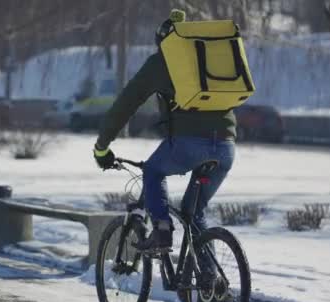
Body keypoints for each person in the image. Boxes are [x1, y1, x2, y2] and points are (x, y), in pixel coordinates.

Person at [92, 9, 236, 252]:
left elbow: (125, 104)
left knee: (153, 171)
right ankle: (211, 283)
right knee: (194, 212)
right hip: (226, 146)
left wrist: (102, 147)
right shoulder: (209, 56)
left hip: (188, 145)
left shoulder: (162, 61)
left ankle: (161, 231)